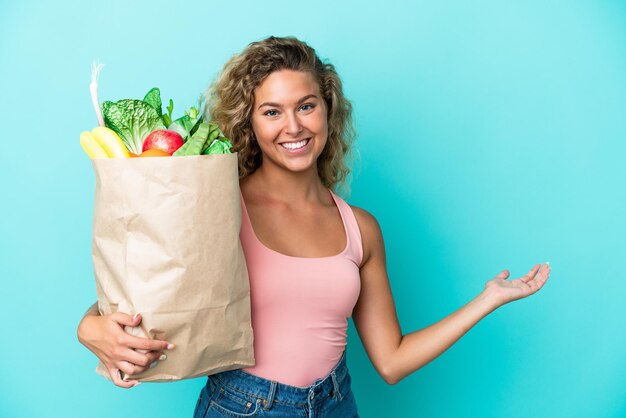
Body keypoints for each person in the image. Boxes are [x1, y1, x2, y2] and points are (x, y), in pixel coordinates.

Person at [77, 36, 551, 417]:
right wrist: (89, 330)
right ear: (250, 122)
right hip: (243, 407)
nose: (293, 126)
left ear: (328, 109)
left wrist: (488, 300)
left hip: (336, 403)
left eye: (306, 105)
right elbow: (131, 300)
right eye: (271, 111)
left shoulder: (359, 228)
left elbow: (391, 360)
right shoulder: (217, 207)